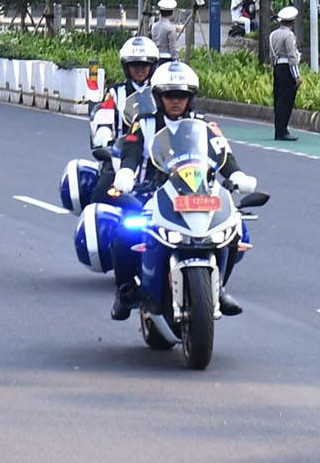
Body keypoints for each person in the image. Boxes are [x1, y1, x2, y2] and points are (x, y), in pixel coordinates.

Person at [107, 61, 257, 318]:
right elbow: (131, 152)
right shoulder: (144, 124)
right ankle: (127, 290)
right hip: (152, 191)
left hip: (197, 193)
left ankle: (218, 288)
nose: (176, 101)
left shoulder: (205, 125)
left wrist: (237, 175)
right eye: (170, 95)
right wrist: (125, 173)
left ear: (191, 98)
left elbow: (223, 153)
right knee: (123, 233)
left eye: (182, 96)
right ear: (158, 96)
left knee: (235, 229)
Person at [269, 4, 301, 140]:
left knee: (278, 99)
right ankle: (283, 131)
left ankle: (278, 129)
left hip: (277, 67)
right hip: (287, 68)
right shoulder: (289, 36)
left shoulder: (273, 34)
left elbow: (271, 54)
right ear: (292, 22)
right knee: (286, 100)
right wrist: (297, 75)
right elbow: (292, 56)